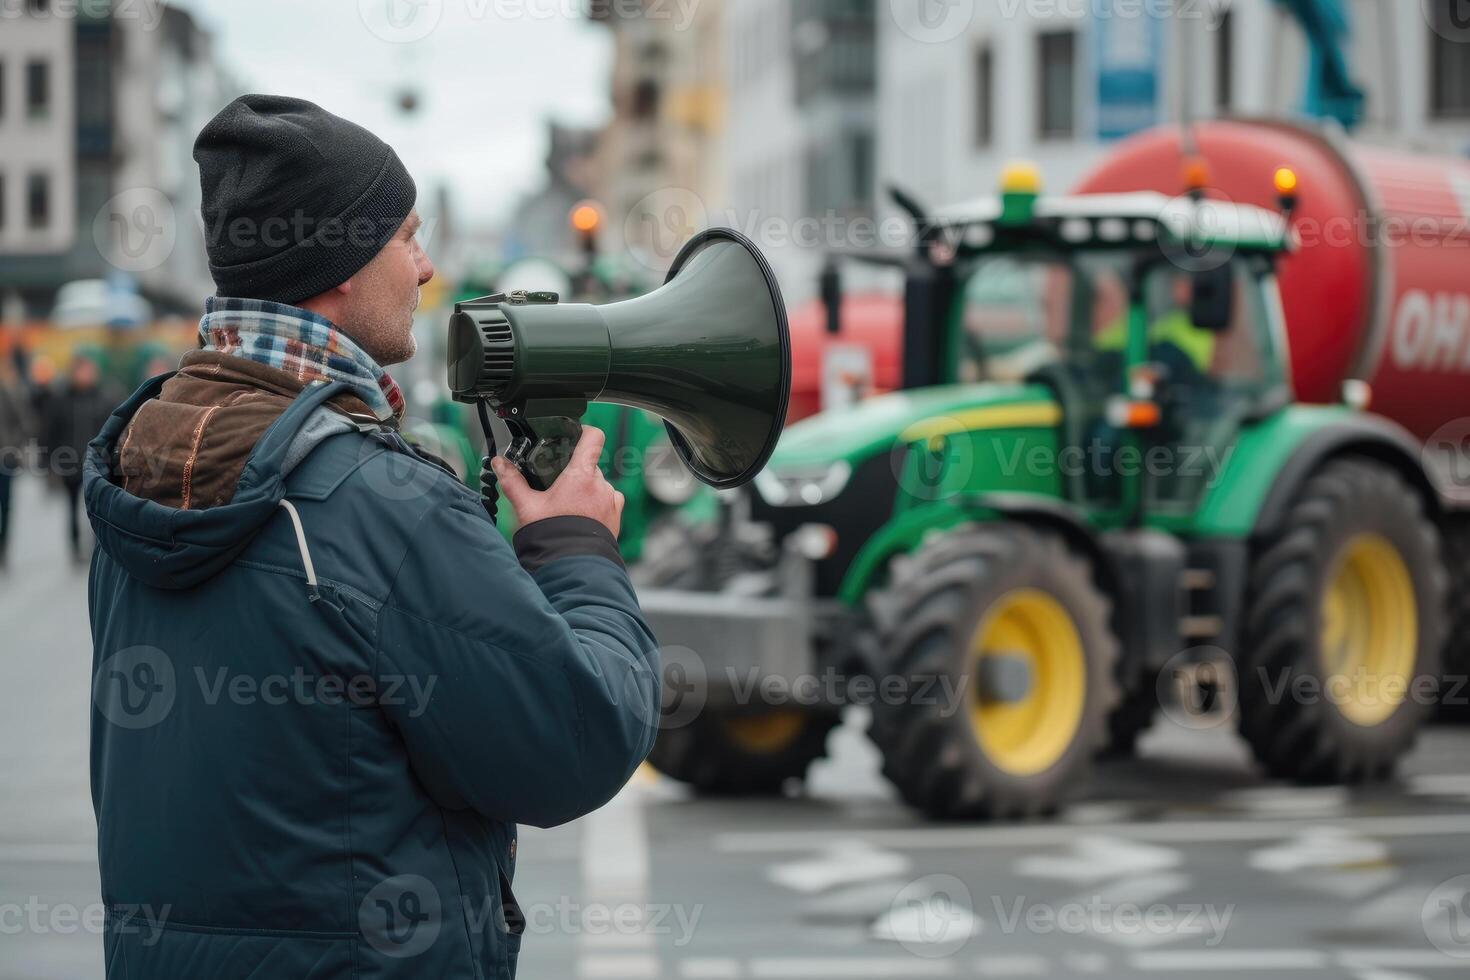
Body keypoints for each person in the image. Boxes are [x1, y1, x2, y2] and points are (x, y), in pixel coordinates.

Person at [84, 95, 659, 979]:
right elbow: (572, 745)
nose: (426, 269)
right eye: (406, 237)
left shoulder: (138, 471)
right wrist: (576, 549)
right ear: (341, 264)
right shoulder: (384, 504)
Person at [43, 351, 115, 563]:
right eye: (82, 371)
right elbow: (50, 431)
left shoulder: (105, 397)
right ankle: (74, 546)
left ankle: (95, 545)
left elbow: (111, 429)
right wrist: (49, 460)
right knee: (72, 506)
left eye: (89, 371)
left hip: (96, 462)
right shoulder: (60, 398)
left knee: (95, 507)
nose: (86, 375)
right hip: (68, 461)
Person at [0, 339, 35, 568]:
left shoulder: (9, 392)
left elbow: (25, 423)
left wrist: (14, 446)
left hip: (5, 457)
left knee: (5, 504)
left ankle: (3, 546)